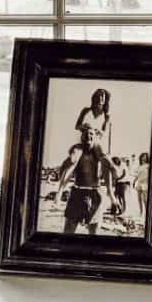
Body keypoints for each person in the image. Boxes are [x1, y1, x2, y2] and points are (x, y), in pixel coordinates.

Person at [56, 90, 119, 234]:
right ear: (94, 97)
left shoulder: (107, 115)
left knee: (105, 160)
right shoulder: (86, 110)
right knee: (73, 159)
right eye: (98, 96)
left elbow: (104, 132)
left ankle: (111, 193)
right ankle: (60, 190)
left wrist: (96, 132)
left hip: (97, 142)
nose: (100, 99)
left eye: (103, 97)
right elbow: (77, 126)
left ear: (106, 99)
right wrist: (86, 128)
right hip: (85, 138)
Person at [133, 152, 150, 220]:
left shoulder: (148, 165)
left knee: (145, 199)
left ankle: (147, 212)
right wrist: (134, 181)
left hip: (145, 183)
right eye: (142, 156)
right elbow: (137, 175)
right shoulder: (139, 166)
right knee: (139, 199)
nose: (143, 158)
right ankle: (141, 212)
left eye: (145, 156)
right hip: (139, 182)